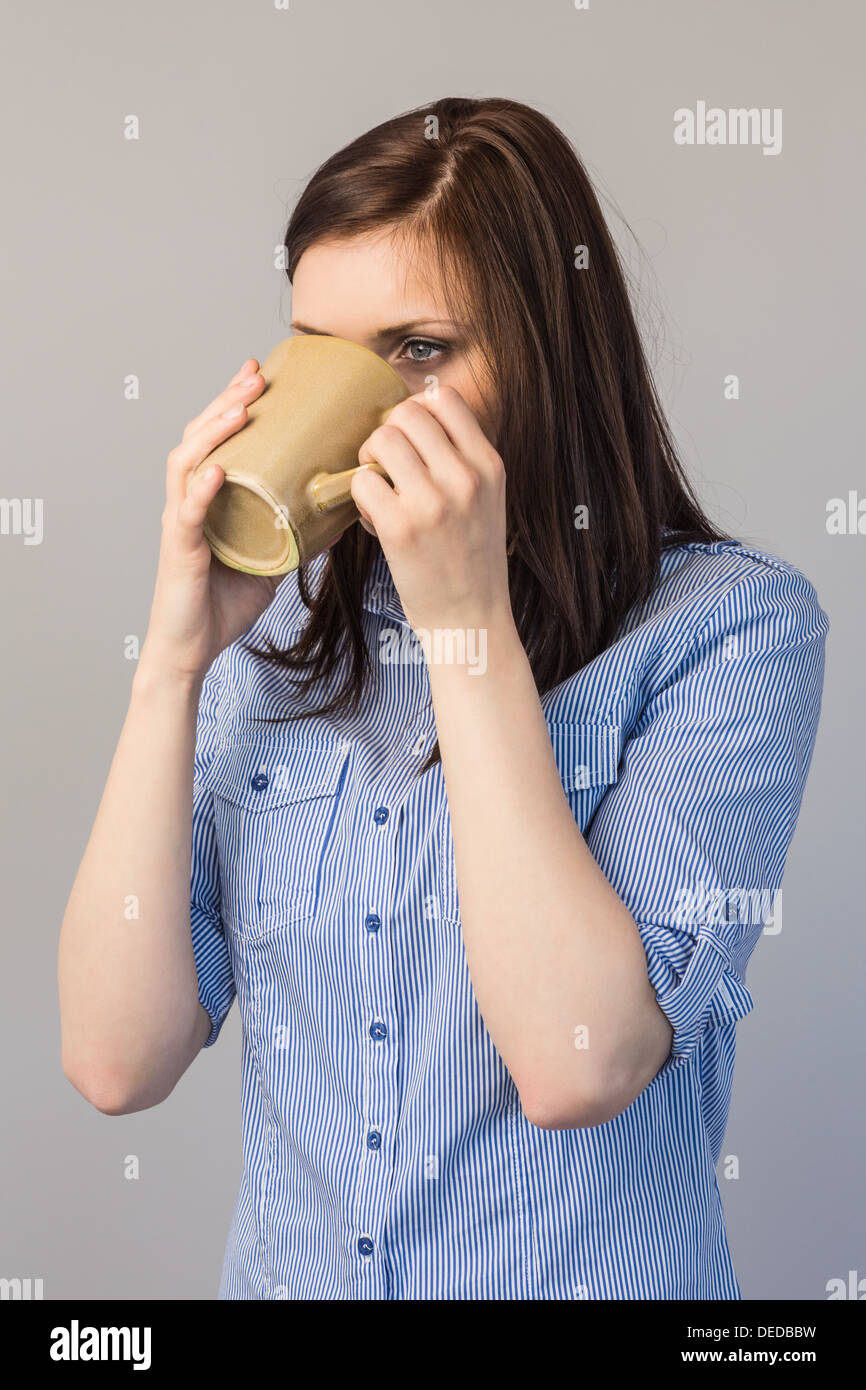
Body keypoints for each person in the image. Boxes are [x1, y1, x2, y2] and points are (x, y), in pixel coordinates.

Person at [59, 96, 829, 1300]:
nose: (367, 403)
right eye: (322, 352)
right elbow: (115, 1061)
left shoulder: (726, 630)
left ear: (549, 348)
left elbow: (580, 1066)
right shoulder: (275, 637)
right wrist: (172, 663)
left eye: (418, 349)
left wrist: (464, 628)